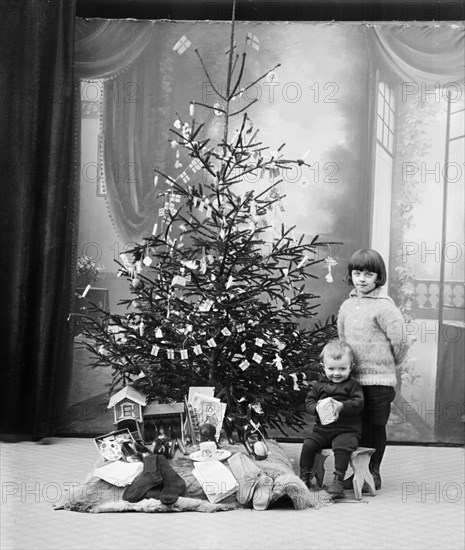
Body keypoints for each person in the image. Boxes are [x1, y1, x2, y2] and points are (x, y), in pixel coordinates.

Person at [337, 248, 409, 490]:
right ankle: (356, 472)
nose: (362, 279)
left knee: (374, 426)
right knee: (355, 427)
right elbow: (342, 339)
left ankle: (373, 472)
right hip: (353, 380)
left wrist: (390, 365)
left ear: (379, 277)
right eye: (357, 273)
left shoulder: (384, 306)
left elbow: (400, 341)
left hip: (379, 381)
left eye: (369, 274)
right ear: (351, 275)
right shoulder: (347, 305)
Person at [299, 340, 364, 498]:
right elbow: (309, 402)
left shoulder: (353, 385)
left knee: (342, 447)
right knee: (308, 445)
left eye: (342, 368)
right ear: (323, 367)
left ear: (351, 367)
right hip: (323, 430)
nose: (337, 373)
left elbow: (358, 403)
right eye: (331, 368)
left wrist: (341, 406)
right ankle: (305, 476)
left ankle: (338, 479)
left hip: (346, 431)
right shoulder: (319, 386)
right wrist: (317, 407)